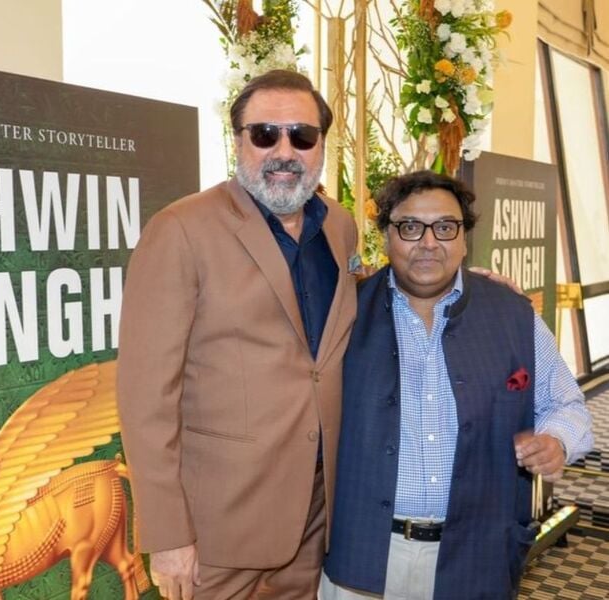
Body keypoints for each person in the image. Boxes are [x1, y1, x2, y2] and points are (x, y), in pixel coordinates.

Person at [116, 70, 358, 599]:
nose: (284, 150)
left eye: (301, 135)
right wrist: (169, 533)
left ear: (321, 143)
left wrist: (454, 279)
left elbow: (354, 318)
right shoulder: (181, 230)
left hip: (316, 513)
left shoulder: (340, 228)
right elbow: (145, 398)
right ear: (238, 141)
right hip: (217, 527)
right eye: (264, 134)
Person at [321, 171, 593, 600]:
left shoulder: (512, 315)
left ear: (465, 238)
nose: (429, 243)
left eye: (446, 227)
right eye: (410, 227)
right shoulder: (343, 315)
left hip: (476, 557)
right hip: (364, 559)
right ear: (386, 236)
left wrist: (557, 440)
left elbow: (567, 404)